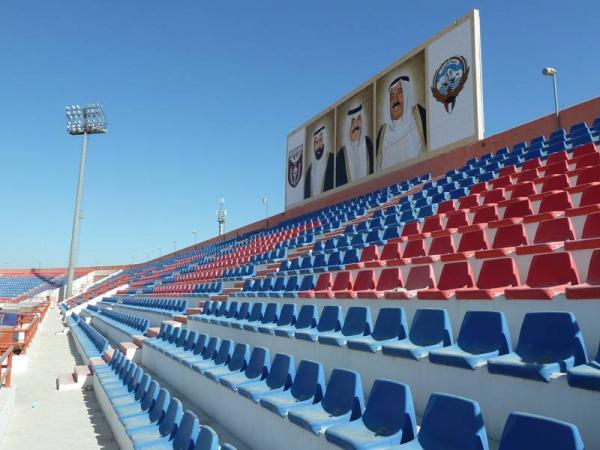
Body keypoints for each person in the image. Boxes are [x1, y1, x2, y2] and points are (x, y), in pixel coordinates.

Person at [376, 75, 426, 170]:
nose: (395, 100)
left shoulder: (419, 117)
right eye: (391, 95)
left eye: (400, 93)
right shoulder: (383, 133)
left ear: (407, 94)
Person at [336, 103, 374, 187]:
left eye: (359, 119)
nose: (356, 125)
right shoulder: (341, 155)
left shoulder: (369, 144)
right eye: (353, 121)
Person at [304, 126, 334, 199]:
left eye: (320, 140)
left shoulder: (333, 160)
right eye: (316, 142)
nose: (318, 146)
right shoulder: (309, 171)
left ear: (324, 142)